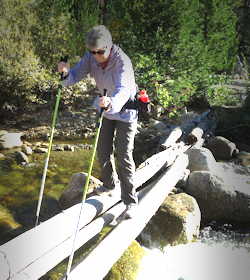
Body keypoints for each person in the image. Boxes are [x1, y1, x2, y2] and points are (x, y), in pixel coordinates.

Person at [58, 25, 138, 219]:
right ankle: (110, 184)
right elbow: (76, 75)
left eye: (100, 52)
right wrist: (65, 74)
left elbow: (124, 89)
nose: (97, 56)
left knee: (124, 155)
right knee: (102, 150)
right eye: (93, 52)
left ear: (110, 46)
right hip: (105, 108)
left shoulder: (122, 61)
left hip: (125, 110)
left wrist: (112, 102)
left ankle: (130, 202)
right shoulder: (91, 58)